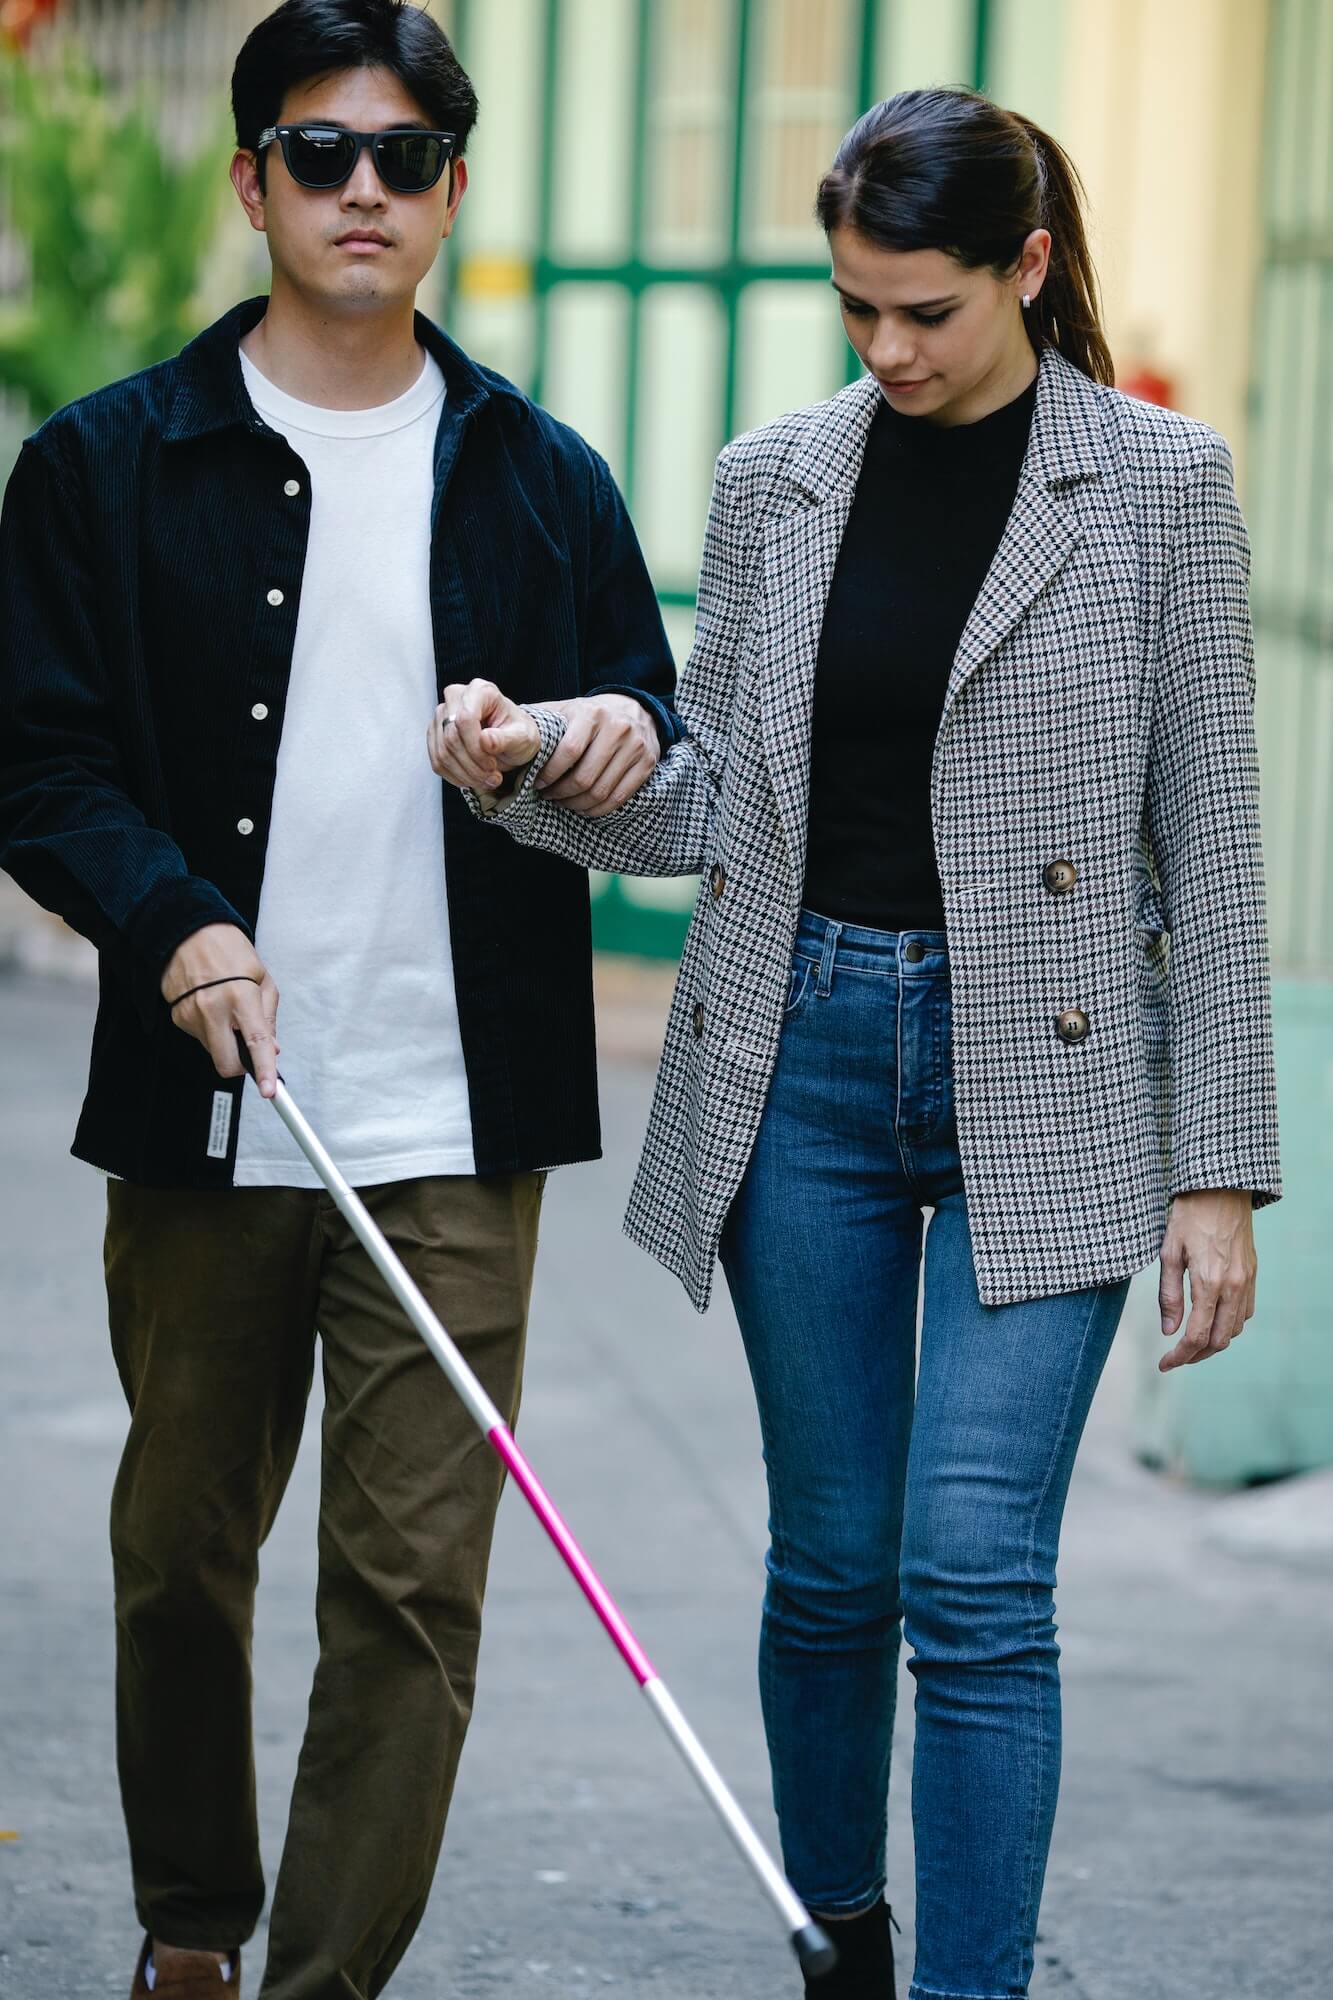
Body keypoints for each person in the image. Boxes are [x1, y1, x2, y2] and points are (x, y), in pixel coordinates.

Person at [429, 88, 1282, 2000]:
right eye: (855, 312)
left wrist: (1216, 1172)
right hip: (801, 1056)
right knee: (829, 1569)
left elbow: (1211, 846)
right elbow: (717, 791)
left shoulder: (1157, 484)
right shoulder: (779, 476)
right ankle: (846, 1948)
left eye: (925, 312)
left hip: (1049, 1086)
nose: (886, 351)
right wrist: (536, 761)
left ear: (1027, 270)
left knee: (972, 1579)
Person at [0, 3, 679, 1996]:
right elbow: (38, 764)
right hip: (217, 1096)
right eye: (318, 152)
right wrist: (176, 920)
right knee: (179, 1559)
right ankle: (194, 1921)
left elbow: (658, 734)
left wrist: (573, 738)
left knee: (415, 1587)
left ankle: (319, 1986)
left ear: (452, 191)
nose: (360, 188)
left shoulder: (545, 479)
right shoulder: (105, 468)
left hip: (460, 1125)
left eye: (402, 157)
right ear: (252, 179)